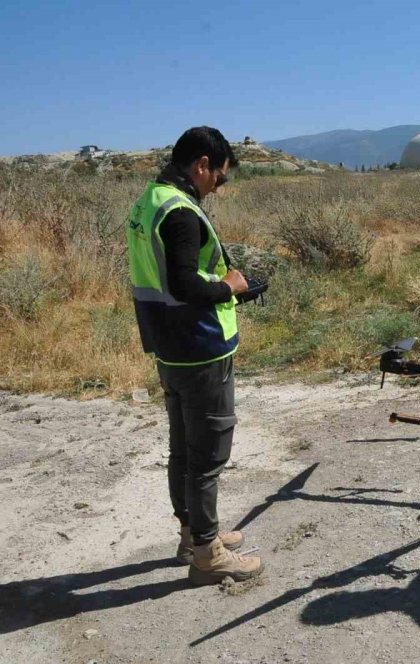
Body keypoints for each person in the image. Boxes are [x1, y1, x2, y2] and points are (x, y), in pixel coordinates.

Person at [126, 126, 263, 583]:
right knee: (207, 454)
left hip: (168, 343)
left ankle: (194, 533)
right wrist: (230, 286)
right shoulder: (181, 212)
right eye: (219, 178)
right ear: (202, 165)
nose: (217, 188)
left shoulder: (151, 200)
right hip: (200, 345)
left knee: (183, 448)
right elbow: (185, 285)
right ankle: (208, 553)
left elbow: (165, 279)